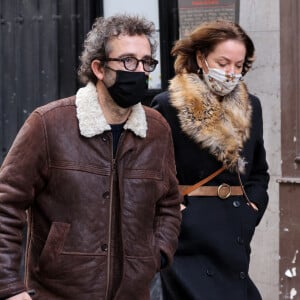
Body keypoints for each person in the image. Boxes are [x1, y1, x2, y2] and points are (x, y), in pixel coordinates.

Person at [0, 14, 182, 300]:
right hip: (59, 292)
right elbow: (6, 204)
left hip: (132, 294)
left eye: (146, 62)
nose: (139, 71)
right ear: (98, 68)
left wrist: (156, 255)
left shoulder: (156, 130)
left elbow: (169, 202)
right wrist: (9, 286)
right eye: (128, 61)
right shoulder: (48, 124)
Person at [151, 20, 269, 300]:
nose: (231, 72)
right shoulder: (168, 105)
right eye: (223, 62)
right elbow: (153, 173)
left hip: (234, 232)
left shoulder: (251, 105)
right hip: (188, 241)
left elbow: (259, 170)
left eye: (238, 65)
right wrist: (180, 215)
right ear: (202, 58)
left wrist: (252, 207)